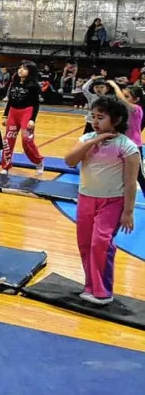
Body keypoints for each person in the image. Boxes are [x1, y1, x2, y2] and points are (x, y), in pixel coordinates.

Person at [63, 95, 138, 306]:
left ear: (116, 119)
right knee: (85, 243)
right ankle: (90, 286)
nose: (95, 121)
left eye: (101, 117)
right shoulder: (86, 140)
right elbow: (69, 160)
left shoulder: (127, 146)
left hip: (112, 202)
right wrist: (94, 140)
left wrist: (128, 212)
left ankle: (103, 292)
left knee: (101, 243)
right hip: (86, 199)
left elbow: (131, 183)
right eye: (93, 116)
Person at [1, 60, 44, 174]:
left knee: (26, 140)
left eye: (24, 68)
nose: (21, 70)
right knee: (8, 140)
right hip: (13, 112)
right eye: (20, 67)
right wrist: (5, 115)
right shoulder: (14, 82)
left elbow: (36, 104)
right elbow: (10, 100)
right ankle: (5, 166)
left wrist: (32, 119)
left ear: (31, 71)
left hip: (27, 112)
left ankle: (38, 161)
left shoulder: (33, 86)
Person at [110, 82, 145, 196]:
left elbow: (121, 100)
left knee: (139, 175)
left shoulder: (137, 109)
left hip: (134, 146)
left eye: (127, 96)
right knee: (119, 172)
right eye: (124, 95)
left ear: (136, 99)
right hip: (121, 144)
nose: (123, 98)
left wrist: (115, 86)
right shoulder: (123, 111)